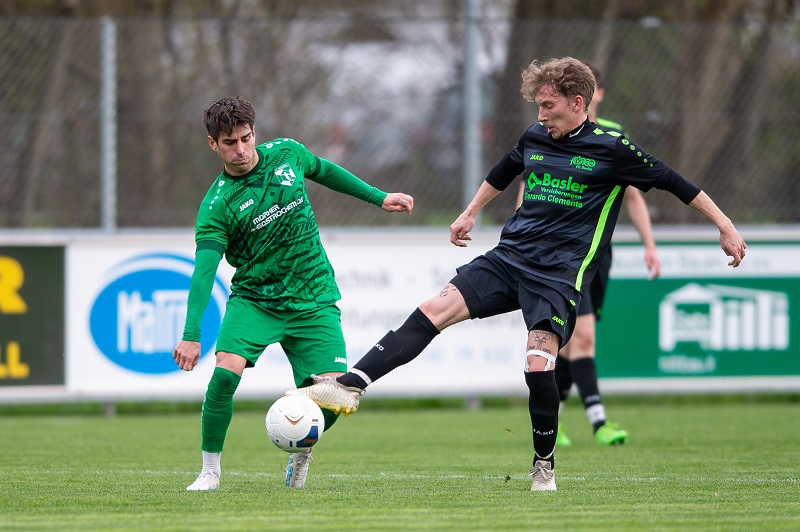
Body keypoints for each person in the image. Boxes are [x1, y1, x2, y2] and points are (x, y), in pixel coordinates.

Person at [289, 57, 746, 492]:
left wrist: (724, 225)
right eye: (538, 106)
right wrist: (469, 212)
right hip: (509, 259)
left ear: (578, 103)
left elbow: (675, 182)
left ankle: (543, 465)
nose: (541, 115)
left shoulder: (612, 149)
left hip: (558, 276)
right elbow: (504, 170)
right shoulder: (535, 136)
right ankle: (351, 385)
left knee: (538, 363)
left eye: (548, 105)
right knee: (433, 309)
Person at [172, 96, 414, 491]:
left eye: (246, 138)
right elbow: (204, 272)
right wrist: (191, 333)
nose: (241, 150)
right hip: (256, 300)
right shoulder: (216, 206)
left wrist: (378, 196)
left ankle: (301, 449)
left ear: (255, 132)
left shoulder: (287, 153)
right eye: (230, 143)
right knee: (225, 374)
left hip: (313, 296)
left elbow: (326, 171)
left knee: (337, 395)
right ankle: (209, 472)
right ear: (213, 144)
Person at [532, 61, 662, 447]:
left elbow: (633, 195)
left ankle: (553, 417)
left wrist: (649, 244)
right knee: (582, 337)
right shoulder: (548, 133)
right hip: (562, 256)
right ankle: (598, 420)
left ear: (594, 95)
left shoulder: (613, 138)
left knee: (574, 341)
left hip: (597, 254)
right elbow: (531, 184)